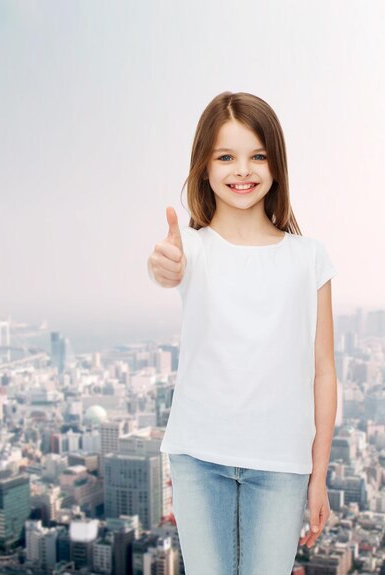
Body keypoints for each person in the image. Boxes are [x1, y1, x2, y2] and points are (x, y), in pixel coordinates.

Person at [147, 91, 337, 575]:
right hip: (198, 456)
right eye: (226, 157)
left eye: (257, 156)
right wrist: (163, 268)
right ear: (205, 167)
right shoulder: (188, 247)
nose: (242, 170)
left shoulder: (308, 257)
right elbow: (165, 268)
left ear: (276, 166)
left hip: (281, 465)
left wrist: (319, 475)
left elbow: (323, 371)